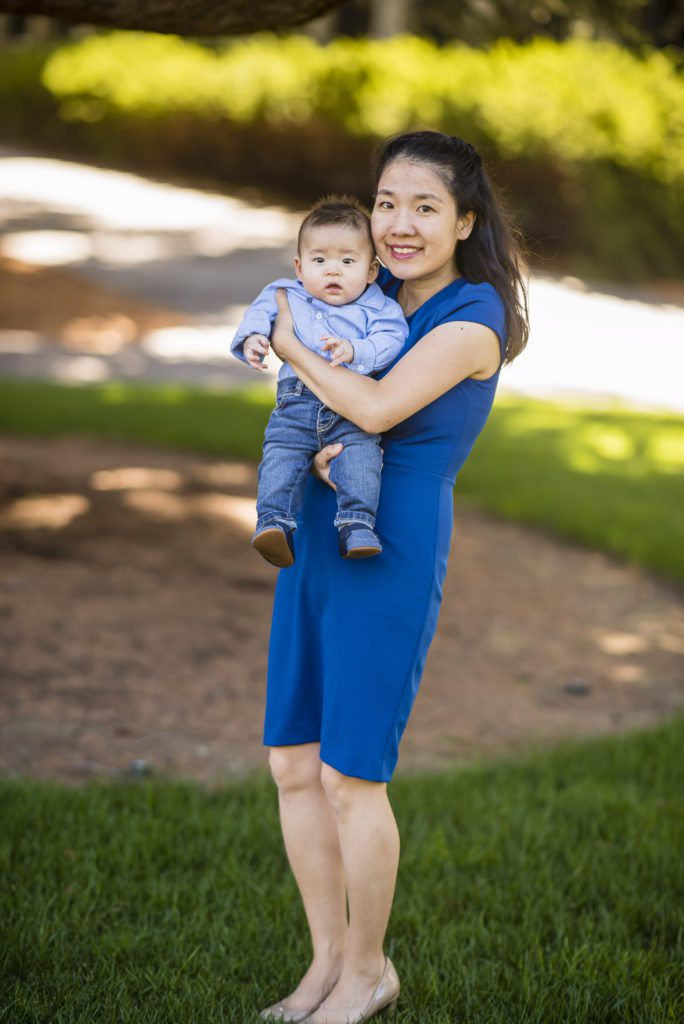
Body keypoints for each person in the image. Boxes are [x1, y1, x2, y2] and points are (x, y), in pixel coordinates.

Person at [257, 131, 529, 1024]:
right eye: (385, 204)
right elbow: (324, 411)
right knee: (293, 760)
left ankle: (370, 970)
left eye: (423, 207)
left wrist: (291, 344)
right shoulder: (367, 295)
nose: (399, 224)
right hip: (316, 529)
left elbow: (372, 407)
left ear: (465, 221)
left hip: (390, 545)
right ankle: (325, 963)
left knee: (350, 773)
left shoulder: (474, 316)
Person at [230, 196, 408, 566]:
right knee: (281, 453)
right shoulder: (285, 293)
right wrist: (254, 338)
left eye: (347, 261)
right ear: (299, 266)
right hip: (295, 401)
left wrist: (356, 349)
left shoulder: (380, 307)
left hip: (350, 407)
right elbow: (259, 314)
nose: (332, 271)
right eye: (319, 260)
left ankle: (357, 524)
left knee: (361, 456)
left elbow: (392, 339)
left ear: (371, 271)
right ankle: (273, 523)